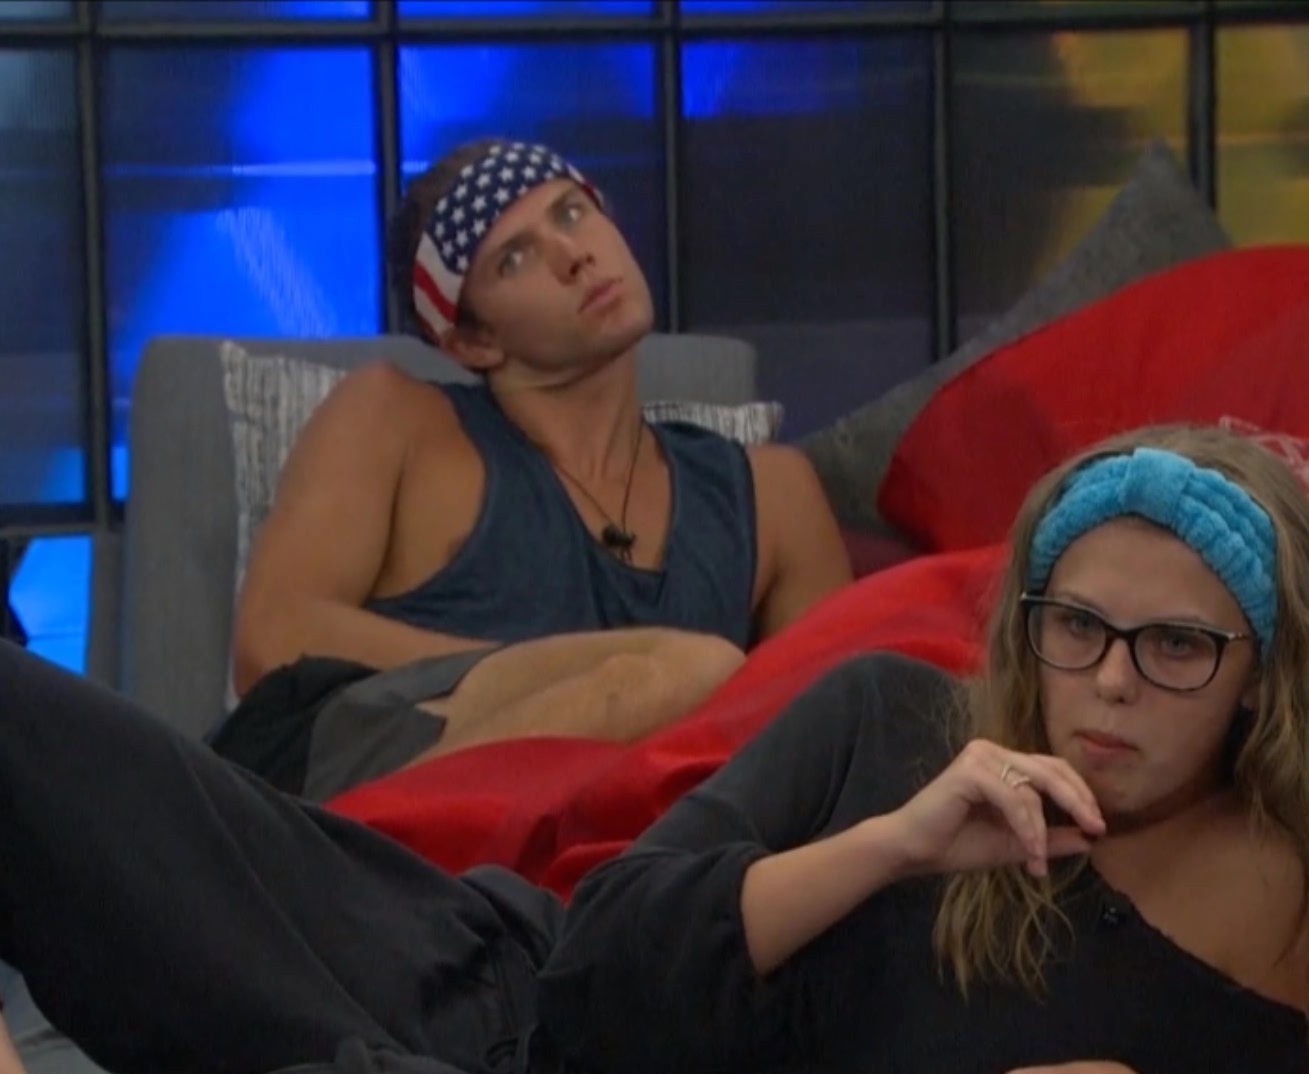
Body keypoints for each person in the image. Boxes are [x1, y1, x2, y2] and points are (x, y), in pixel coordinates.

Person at [0, 422, 1309, 1074]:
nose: (1108, 686)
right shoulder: (896, 724)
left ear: (1265, 681)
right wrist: (895, 845)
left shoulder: (1291, 941)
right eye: (1075, 627)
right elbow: (605, 957)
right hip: (469, 970)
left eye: (1175, 648)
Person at [210, 136, 852, 799]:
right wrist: (594, 678)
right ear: (472, 341)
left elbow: (839, 746)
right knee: (691, 671)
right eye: (513, 258)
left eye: (571, 213)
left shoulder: (770, 496)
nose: (573, 255)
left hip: (644, 845)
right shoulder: (395, 421)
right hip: (375, 810)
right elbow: (274, 641)